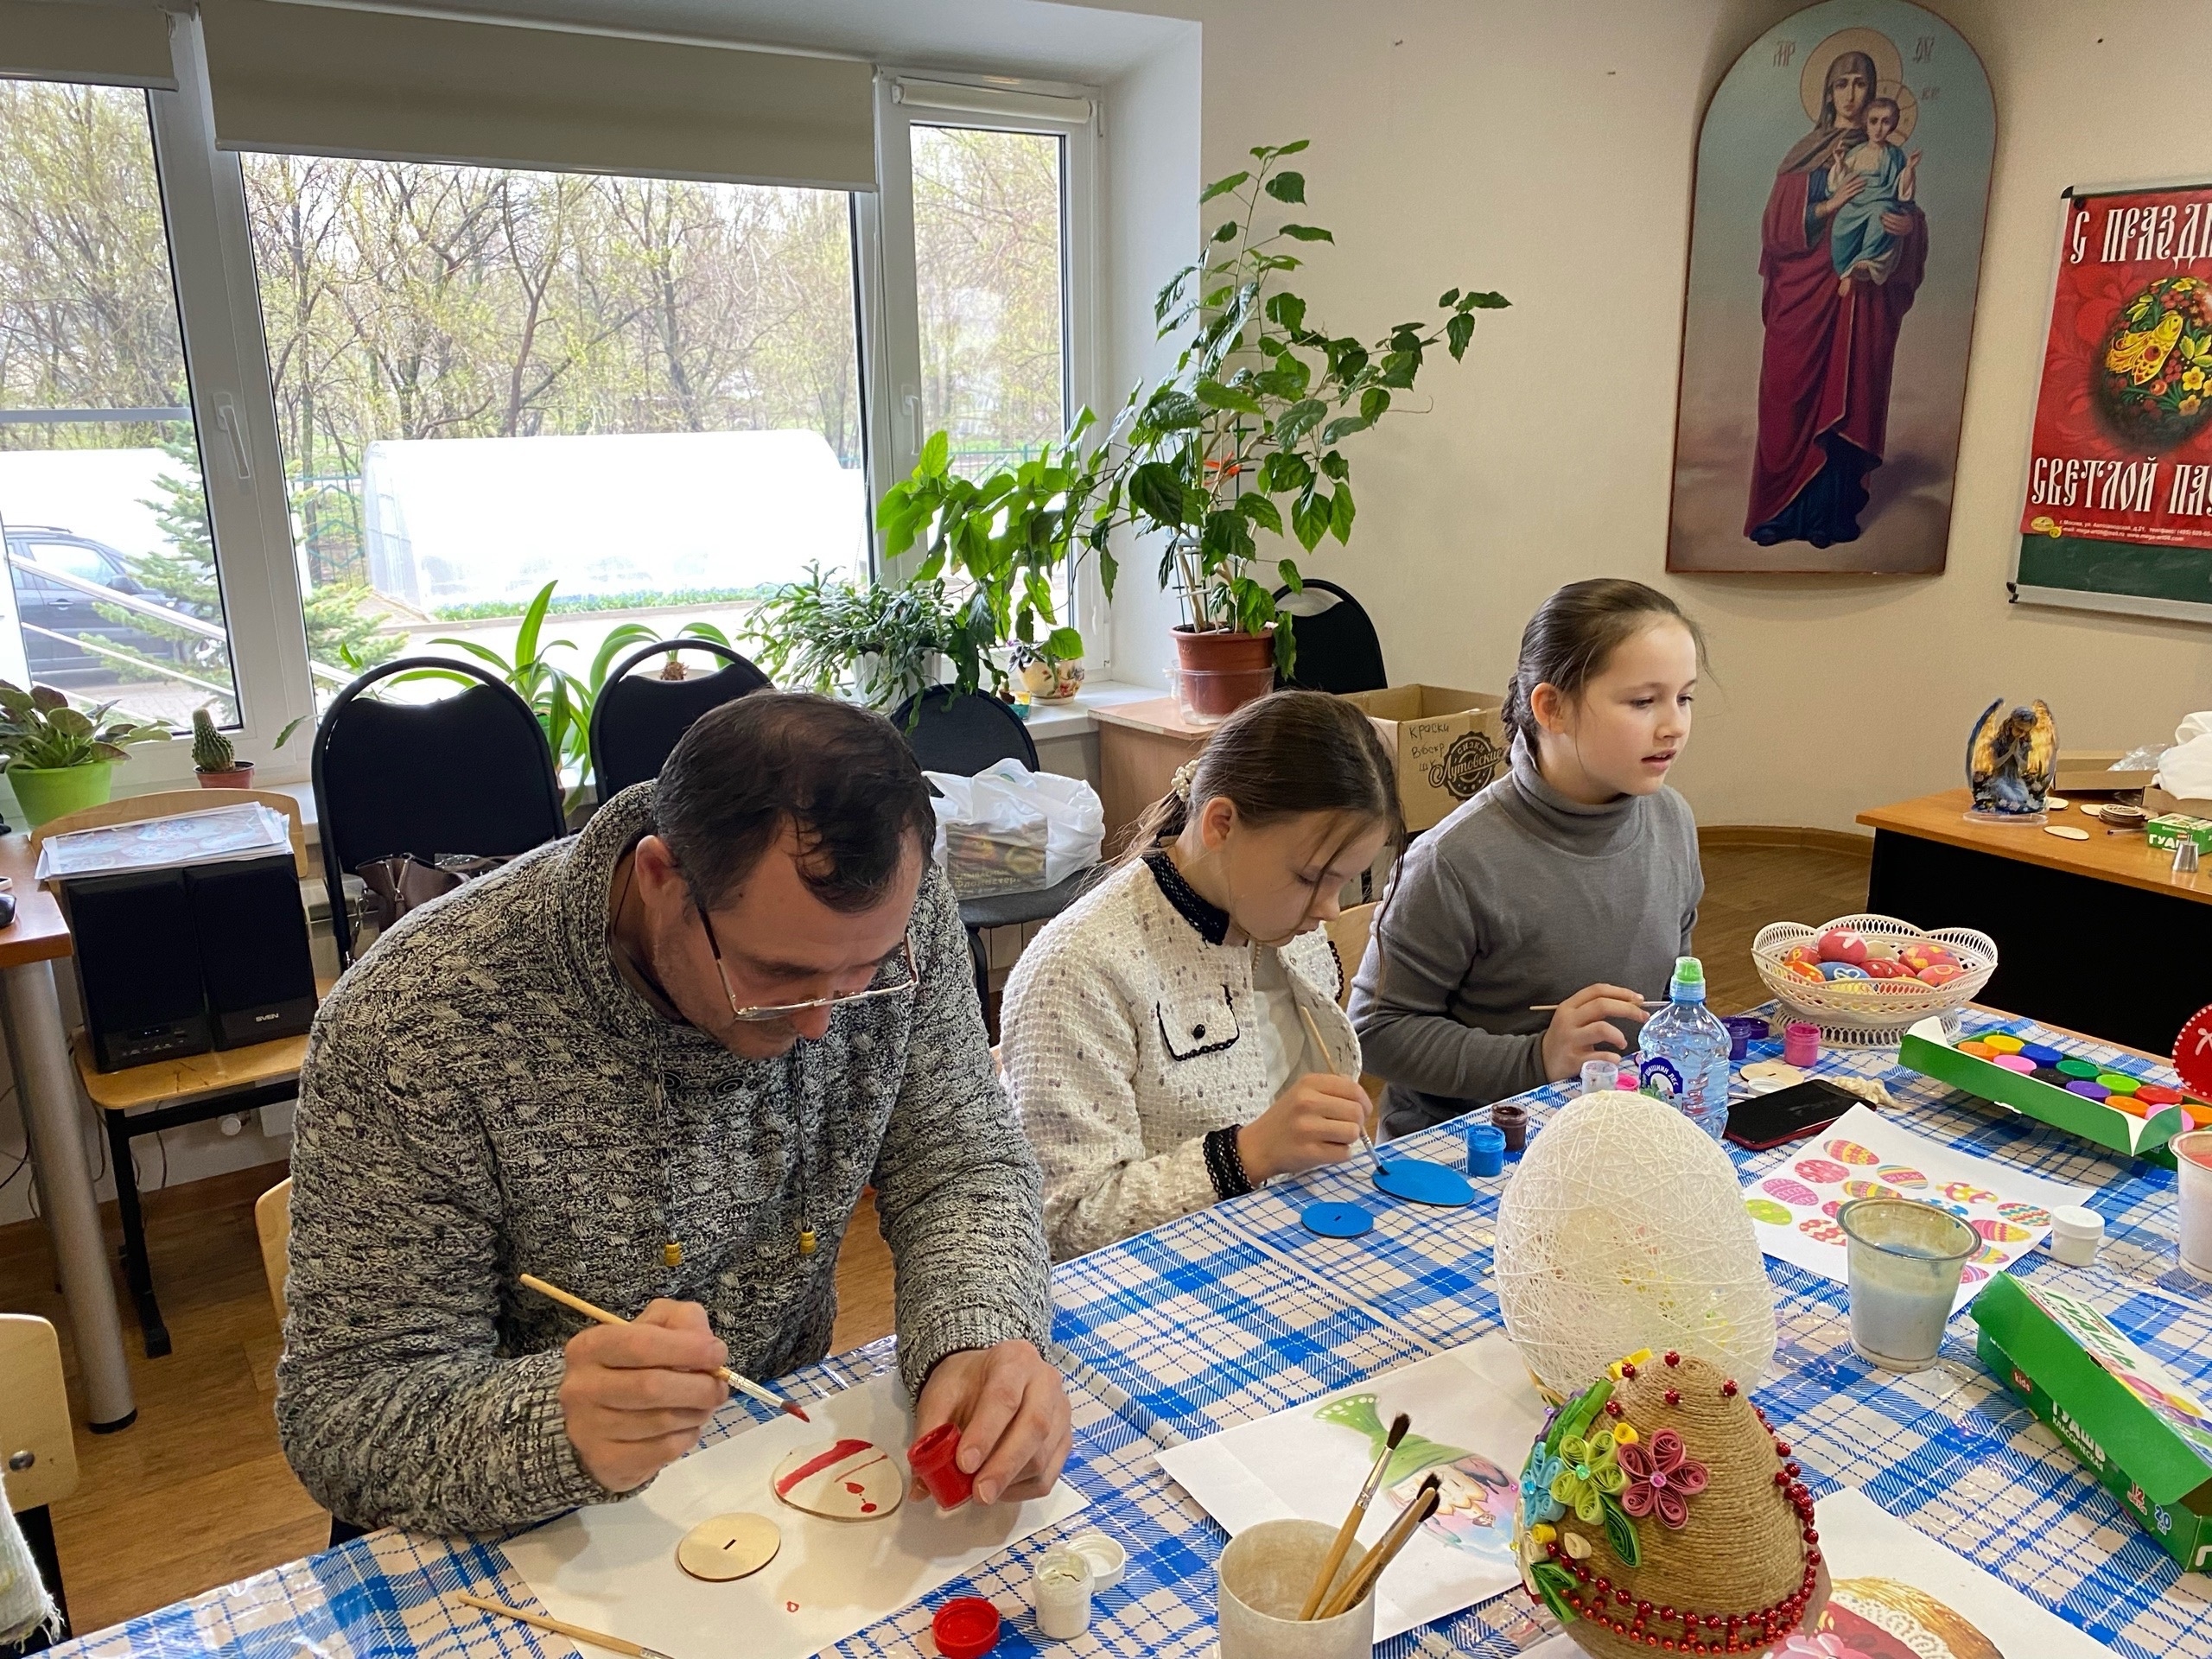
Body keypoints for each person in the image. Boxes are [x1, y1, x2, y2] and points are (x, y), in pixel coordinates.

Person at [276, 693, 1068, 1535]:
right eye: (776, 975)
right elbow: (347, 1414)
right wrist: (555, 1430)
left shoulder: (887, 916)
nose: (818, 1024)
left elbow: (960, 1165)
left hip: (767, 1460)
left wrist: (975, 1333)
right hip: (522, 1527)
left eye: (863, 973)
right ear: (660, 879)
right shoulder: (416, 1022)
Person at [1001, 691, 1398, 1260]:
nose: (1331, 910)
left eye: (1346, 881)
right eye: (1312, 877)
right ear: (1221, 823)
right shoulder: (1080, 969)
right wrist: (1248, 1153)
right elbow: (1066, 1224)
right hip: (1159, 1286)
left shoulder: (1284, 926)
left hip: (1296, 1244)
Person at [1350, 579, 1705, 1138]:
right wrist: (1536, 1057)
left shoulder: (1673, 821)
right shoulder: (1453, 860)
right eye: (1643, 701)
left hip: (1609, 1127)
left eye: (1684, 698)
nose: (1674, 726)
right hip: (1472, 1149)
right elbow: (1374, 1031)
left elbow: (1672, 990)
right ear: (1552, 708)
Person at [1746, 48, 1928, 548]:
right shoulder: (1803, 157)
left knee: (1850, 390)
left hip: (1858, 294)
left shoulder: (1888, 156)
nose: (1850, 94)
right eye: (1841, 84)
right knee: (1790, 392)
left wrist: (1906, 227)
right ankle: (1780, 512)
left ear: (1874, 95)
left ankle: (1834, 512)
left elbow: (1905, 209)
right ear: (1828, 93)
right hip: (1803, 294)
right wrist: (1828, 206)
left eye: (1860, 84)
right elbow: (1776, 231)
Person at [1827, 98, 1920, 294]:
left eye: (1885, 122)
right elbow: (1837, 184)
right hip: (1855, 205)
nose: (1878, 128)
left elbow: (1902, 192)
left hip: (1881, 201)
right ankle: (1845, 270)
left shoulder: (1895, 155)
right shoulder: (1856, 152)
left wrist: (1909, 169)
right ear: (1866, 123)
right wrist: (1840, 162)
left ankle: (1865, 260)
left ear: (1892, 126)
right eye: (1874, 121)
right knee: (1841, 222)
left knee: (1881, 214)